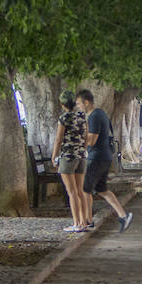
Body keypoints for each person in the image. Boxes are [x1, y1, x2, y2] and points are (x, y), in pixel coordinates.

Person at [77, 90, 133, 232]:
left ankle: (87, 221)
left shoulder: (94, 117)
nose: (78, 107)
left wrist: (78, 137)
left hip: (97, 157)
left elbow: (92, 140)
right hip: (106, 156)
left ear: (86, 102)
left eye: (79, 103)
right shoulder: (102, 113)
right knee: (102, 190)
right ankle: (123, 215)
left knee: (85, 189)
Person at [53, 90, 93, 232]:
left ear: (62, 103)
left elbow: (59, 139)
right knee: (80, 191)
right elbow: (86, 136)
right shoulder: (82, 116)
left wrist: (54, 156)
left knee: (72, 192)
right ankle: (84, 221)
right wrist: (82, 150)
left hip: (68, 157)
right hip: (81, 156)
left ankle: (76, 223)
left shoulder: (64, 118)